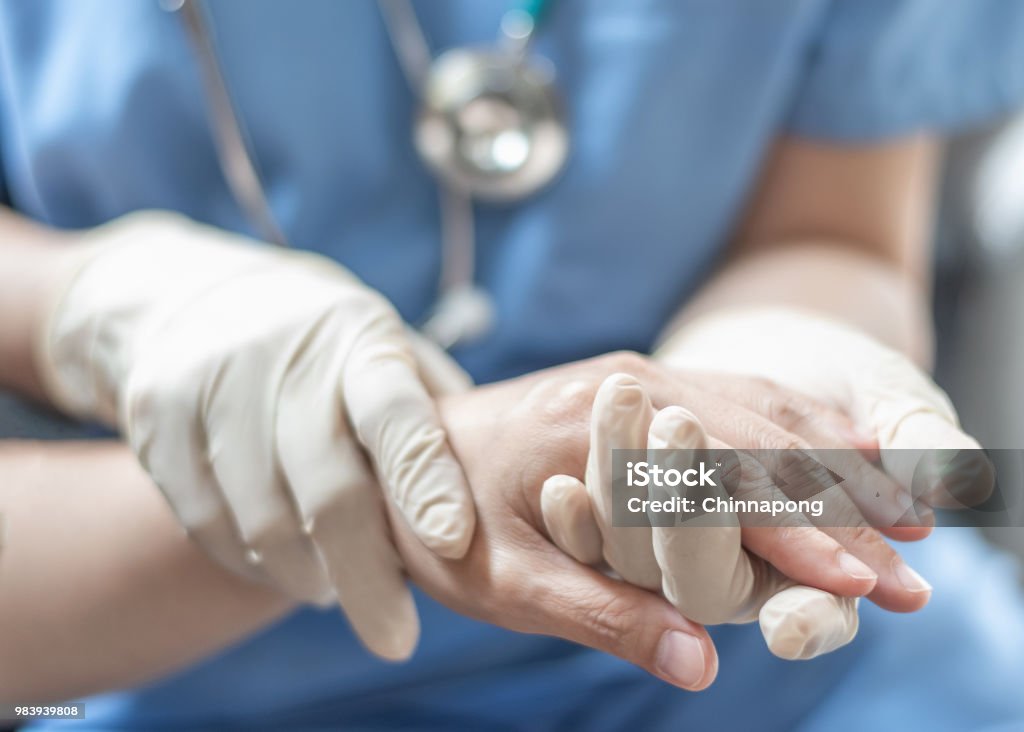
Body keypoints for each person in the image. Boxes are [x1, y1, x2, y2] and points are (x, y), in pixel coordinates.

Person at [1, 1, 1024, 729]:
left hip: (801, 673)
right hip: (164, 631)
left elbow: (832, 227)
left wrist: (780, 351)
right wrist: (66, 299)